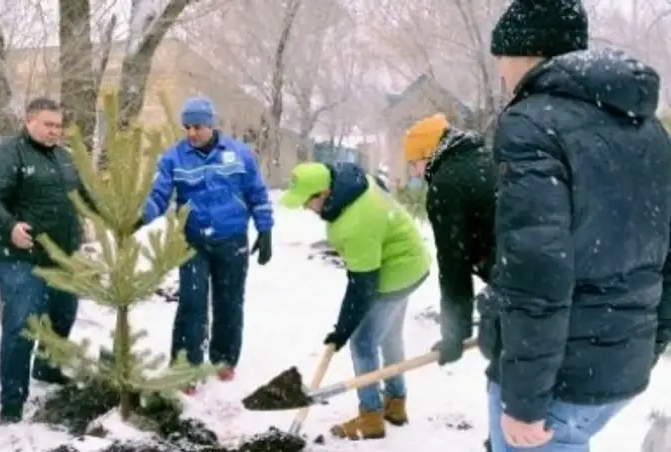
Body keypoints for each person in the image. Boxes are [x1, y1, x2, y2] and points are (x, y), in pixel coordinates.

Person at [485, 1, 671, 451]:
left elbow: (537, 273)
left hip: (558, 378)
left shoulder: (531, 125)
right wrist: (650, 343)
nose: (502, 76)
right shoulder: (645, 126)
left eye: (502, 60)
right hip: (618, 363)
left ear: (527, 53)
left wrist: (525, 400)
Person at [279, 161, 431, 440]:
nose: (304, 208)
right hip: (413, 261)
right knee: (389, 336)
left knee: (363, 343)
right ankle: (395, 402)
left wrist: (342, 331)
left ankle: (371, 416)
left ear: (324, 194)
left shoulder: (355, 222)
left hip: (396, 271)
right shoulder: (356, 183)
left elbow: (362, 286)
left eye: (306, 202)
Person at [140, 96, 273, 393]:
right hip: (193, 241)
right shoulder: (174, 158)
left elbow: (257, 194)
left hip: (232, 239)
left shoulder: (239, 154)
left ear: (210, 124)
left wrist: (265, 230)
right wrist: (141, 216)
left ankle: (224, 358)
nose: (191, 133)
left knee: (229, 301)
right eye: (186, 127)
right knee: (192, 303)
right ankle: (185, 366)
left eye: (197, 126)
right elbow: (159, 195)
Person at [0, 97, 91, 423]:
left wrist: (119, 219)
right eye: (48, 124)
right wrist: (9, 225)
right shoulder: (7, 154)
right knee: (22, 325)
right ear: (30, 122)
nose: (55, 131)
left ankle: (48, 367)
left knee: (63, 314)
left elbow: (85, 196)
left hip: (63, 255)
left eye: (59, 125)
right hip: (20, 256)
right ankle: (12, 401)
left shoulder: (65, 158)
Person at [404, 113, 496, 452]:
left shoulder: (446, 183)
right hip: (539, 270)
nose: (413, 173)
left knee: (507, 368)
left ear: (428, 155)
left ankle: (506, 443)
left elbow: (453, 265)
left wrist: (454, 335)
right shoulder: (485, 158)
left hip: (513, 281)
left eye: (413, 163)